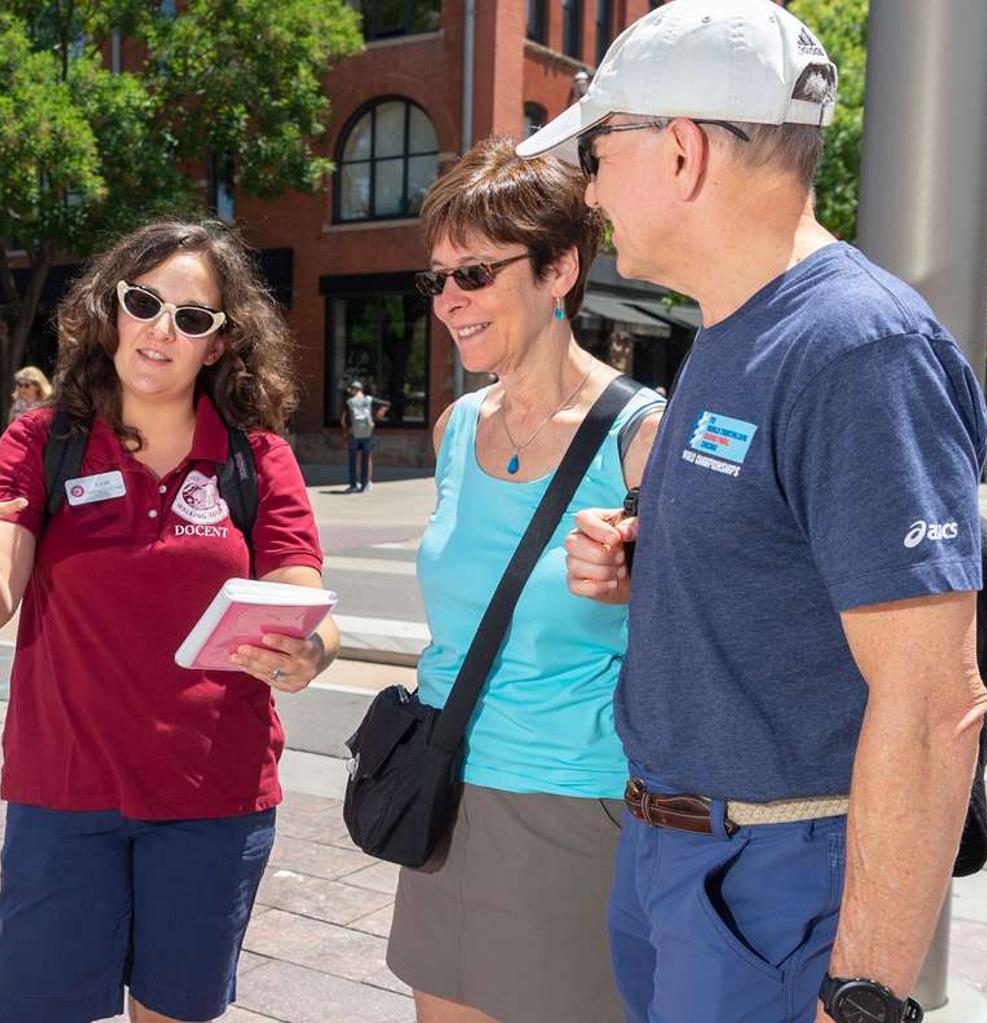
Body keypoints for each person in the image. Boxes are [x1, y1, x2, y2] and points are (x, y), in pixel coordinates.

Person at [538, 3, 987, 1021]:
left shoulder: (855, 347)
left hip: (774, 875)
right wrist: (643, 565)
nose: (589, 187)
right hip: (677, 852)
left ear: (682, 151)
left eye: (596, 150)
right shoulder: (733, 329)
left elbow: (931, 706)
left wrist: (864, 989)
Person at [0, 219, 340, 1023]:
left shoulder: (256, 454)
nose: (161, 329)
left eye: (192, 317)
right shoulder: (45, 439)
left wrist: (311, 648)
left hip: (212, 798)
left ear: (219, 342)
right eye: (143, 302)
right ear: (110, 311)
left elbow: (302, 588)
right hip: (65, 793)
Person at [384, 136, 664, 1023]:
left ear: (559, 270)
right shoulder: (456, 428)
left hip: (573, 806)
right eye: (437, 279)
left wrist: (633, 583)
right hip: (443, 790)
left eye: (475, 273)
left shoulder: (640, 436)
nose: (450, 302)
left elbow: (711, 627)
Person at [341, 380, 389, 492]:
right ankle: (365, 485)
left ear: (354, 390)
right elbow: (386, 403)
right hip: (367, 434)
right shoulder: (369, 400)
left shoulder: (350, 402)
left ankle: (353, 485)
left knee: (353, 460)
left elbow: (347, 421)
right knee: (366, 459)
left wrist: (345, 434)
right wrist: (380, 413)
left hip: (354, 434)